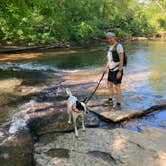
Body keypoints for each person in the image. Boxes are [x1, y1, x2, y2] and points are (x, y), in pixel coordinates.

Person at [104, 31, 124, 110]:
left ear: (114, 37)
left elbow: (121, 60)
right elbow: (109, 60)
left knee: (117, 87)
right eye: (108, 38)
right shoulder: (109, 47)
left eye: (111, 38)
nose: (109, 39)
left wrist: (120, 71)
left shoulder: (119, 46)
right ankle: (110, 100)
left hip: (117, 70)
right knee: (109, 85)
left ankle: (118, 104)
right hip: (111, 70)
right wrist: (106, 66)